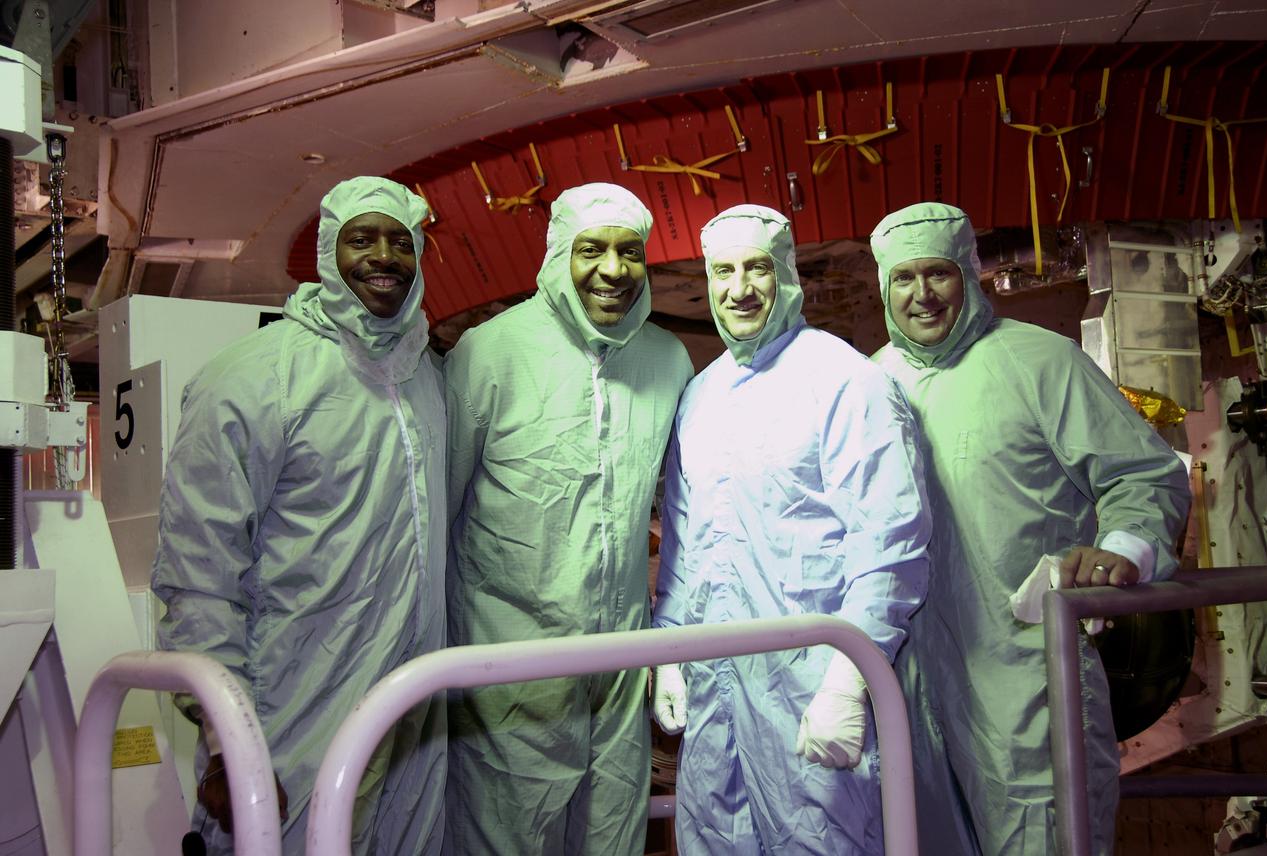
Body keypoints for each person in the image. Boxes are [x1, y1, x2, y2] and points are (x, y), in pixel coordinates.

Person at [869, 202, 1191, 855]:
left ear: (969, 273)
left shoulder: (1040, 363)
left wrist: (1120, 553)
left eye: (939, 274)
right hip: (913, 692)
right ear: (884, 289)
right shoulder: (873, 382)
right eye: (903, 278)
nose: (922, 295)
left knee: (1042, 833)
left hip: (1027, 682)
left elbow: (1145, 475)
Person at [151, 176, 447, 856]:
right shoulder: (253, 376)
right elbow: (198, 570)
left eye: (401, 242)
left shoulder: (425, 378)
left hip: (414, 710)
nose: (383, 257)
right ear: (325, 252)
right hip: (293, 707)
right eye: (361, 239)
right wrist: (231, 740)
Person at [650, 204, 932, 854]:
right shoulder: (702, 396)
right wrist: (668, 653)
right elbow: (686, 545)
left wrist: (848, 678)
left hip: (810, 691)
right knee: (714, 840)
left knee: (823, 841)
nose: (738, 288)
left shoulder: (844, 383)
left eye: (756, 268)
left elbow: (889, 547)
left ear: (785, 274)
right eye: (722, 271)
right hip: (717, 698)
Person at [444, 182, 693, 855]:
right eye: (592, 250)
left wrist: (669, 649)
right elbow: (437, 517)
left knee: (612, 834)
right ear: (559, 253)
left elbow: (684, 515)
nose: (612, 270)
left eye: (629, 252)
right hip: (508, 670)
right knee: (507, 836)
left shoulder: (667, 361)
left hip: (619, 668)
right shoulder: (489, 353)